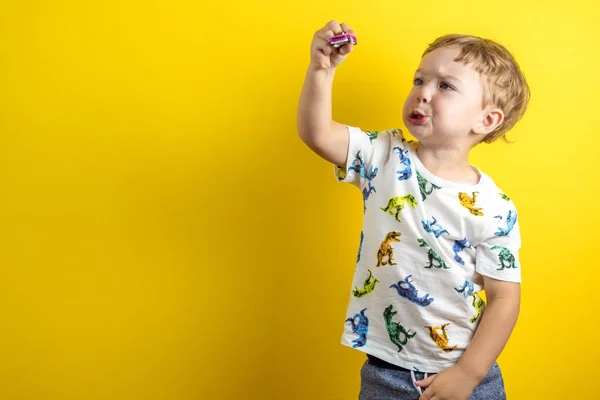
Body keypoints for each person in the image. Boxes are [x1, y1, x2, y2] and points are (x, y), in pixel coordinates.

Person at [297, 20, 530, 400]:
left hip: (462, 373)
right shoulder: (383, 155)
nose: (423, 94)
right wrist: (321, 70)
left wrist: (468, 375)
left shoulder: (494, 206)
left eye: (446, 86)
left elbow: (504, 298)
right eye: (420, 80)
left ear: (486, 120)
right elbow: (317, 134)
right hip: (384, 369)